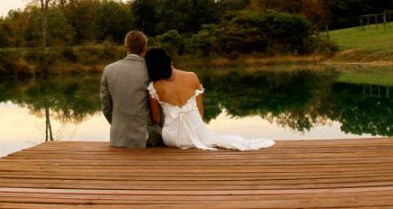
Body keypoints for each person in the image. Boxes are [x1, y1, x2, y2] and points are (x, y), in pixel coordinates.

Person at [144, 47, 274, 151]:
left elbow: (156, 119)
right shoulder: (192, 76)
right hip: (199, 133)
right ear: (169, 60)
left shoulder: (154, 87)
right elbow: (200, 111)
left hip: (172, 139)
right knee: (212, 135)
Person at [100, 30, 163, 148]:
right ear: (145, 48)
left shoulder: (108, 70)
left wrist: (118, 126)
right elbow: (160, 107)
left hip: (118, 138)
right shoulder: (151, 70)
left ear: (125, 47)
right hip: (147, 139)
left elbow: (106, 107)